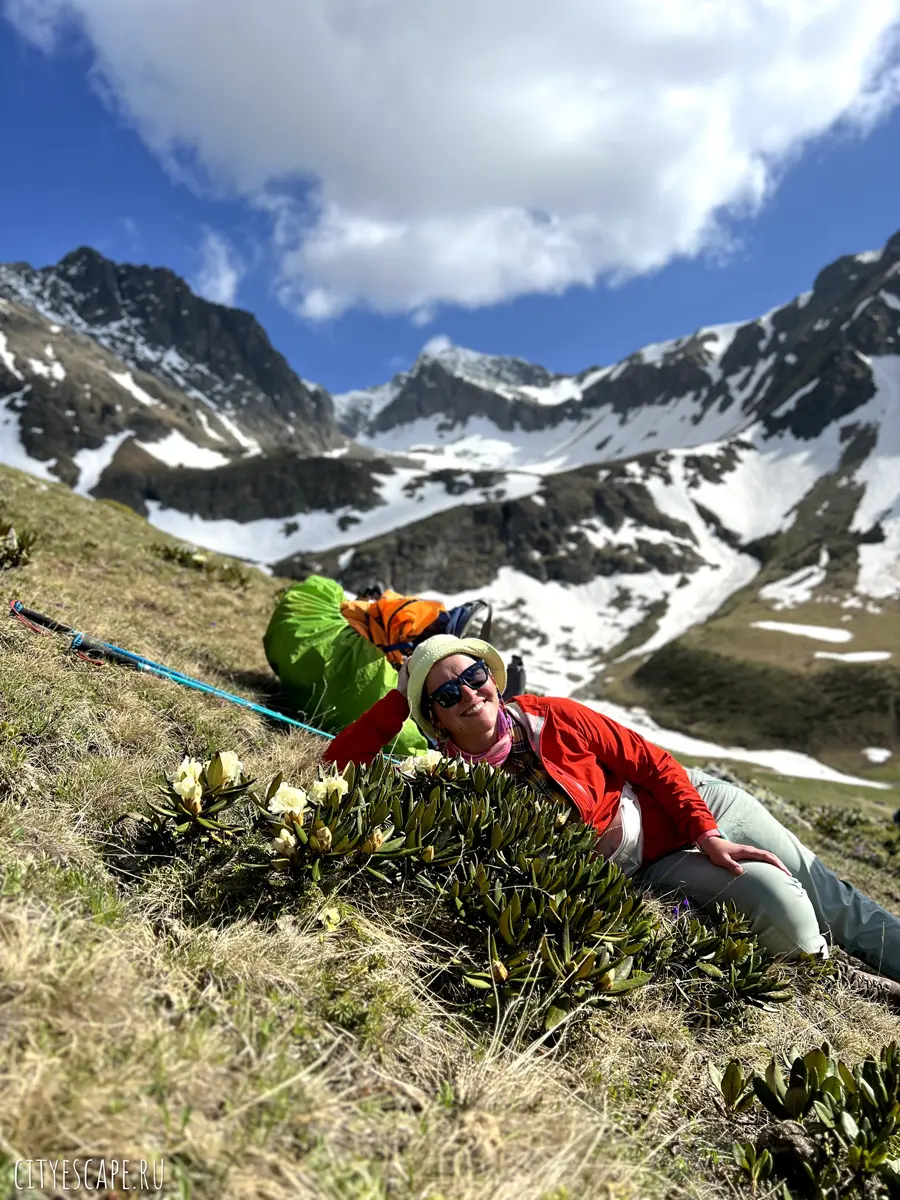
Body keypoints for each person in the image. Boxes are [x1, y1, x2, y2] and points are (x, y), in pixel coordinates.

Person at [324, 634, 900, 1004]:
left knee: (826, 890)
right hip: (650, 866)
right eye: (446, 693)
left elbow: (652, 763)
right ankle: (836, 975)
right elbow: (336, 765)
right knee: (790, 915)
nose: (468, 693)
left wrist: (707, 832)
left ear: (493, 680)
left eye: (474, 676)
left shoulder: (556, 717)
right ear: (435, 718)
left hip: (699, 809)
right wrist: (403, 694)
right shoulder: (447, 779)